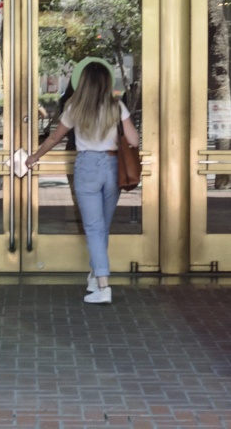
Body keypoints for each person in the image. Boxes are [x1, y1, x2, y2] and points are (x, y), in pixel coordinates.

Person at [26, 60, 137, 305]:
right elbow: (134, 140)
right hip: (112, 167)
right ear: (107, 82)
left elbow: (55, 137)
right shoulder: (117, 106)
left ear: (83, 83)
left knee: (95, 228)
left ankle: (103, 286)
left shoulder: (74, 107)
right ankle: (94, 275)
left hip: (87, 167)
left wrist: (35, 156)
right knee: (102, 227)